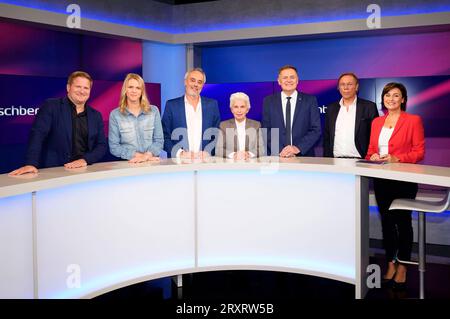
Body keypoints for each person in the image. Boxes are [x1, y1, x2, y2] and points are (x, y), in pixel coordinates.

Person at [366, 82, 425, 289]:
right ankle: (391, 262)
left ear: (403, 99)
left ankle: (403, 265)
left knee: (404, 223)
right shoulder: (376, 122)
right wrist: (372, 155)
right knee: (387, 223)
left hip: (404, 179)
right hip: (381, 180)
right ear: (382, 99)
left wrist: (396, 158)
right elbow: (371, 149)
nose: (391, 99)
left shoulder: (413, 120)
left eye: (396, 95)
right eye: (387, 95)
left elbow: (419, 152)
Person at [9, 71, 107, 175]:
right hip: (55, 171)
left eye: (86, 88)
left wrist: (85, 160)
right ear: (68, 88)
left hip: (84, 171)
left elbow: (101, 145)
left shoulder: (95, 115)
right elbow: (38, 135)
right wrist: (31, 163)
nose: (82, 91)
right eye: (78, 86)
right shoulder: (51, 106)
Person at [262, 65, 321, 157]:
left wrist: (297, 148)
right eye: (285, 77)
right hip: (278, 156)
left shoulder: (310, 100)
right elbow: (266, 129)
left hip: (303, 156)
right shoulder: (269, 101)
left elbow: (316, 129)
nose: (289, 80)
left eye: (292, 77)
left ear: (297, 80)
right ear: (279, 81)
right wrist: (281, 151)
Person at [161, 68, 221, 159]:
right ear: (185, 82)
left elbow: (216, 134)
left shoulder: (212, 105)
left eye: (199, 82)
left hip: (205, 162)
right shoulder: (171, 105)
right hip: (179, 163)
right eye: (192, 80)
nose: (195, 84)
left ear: (202, 85)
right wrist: (180, 153)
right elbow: (164, 136)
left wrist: (208, 151)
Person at [108, 73, 163, 163]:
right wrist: (140, 156)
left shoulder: (153, 111)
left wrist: (147, 156)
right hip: (129, 164)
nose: (134, 91)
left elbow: (159, 140)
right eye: (130, 87)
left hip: (151, 163)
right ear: (125, 89)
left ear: (142, 91)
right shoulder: (115, 115)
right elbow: (114, 147)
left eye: (138, 88)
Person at [323, 72, 379, 158]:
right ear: (338, 87)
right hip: (335, 161)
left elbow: (375, 135)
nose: (346, 88)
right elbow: (327, 137)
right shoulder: (331, 108)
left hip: (361, 161)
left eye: (349, 84)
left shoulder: (369, 107)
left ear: (356, 87)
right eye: (342, 84)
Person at [215, 92, 265, 159]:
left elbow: (261, 149)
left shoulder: (256, 125)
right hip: (230, 165)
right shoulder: (224, 125)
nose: (239, 110)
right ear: (232, 110)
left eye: (242, 107)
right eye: (236, 107)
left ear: (247, 109)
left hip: (251, 164)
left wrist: (248, 154)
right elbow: (218, 150)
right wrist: (234, 155)